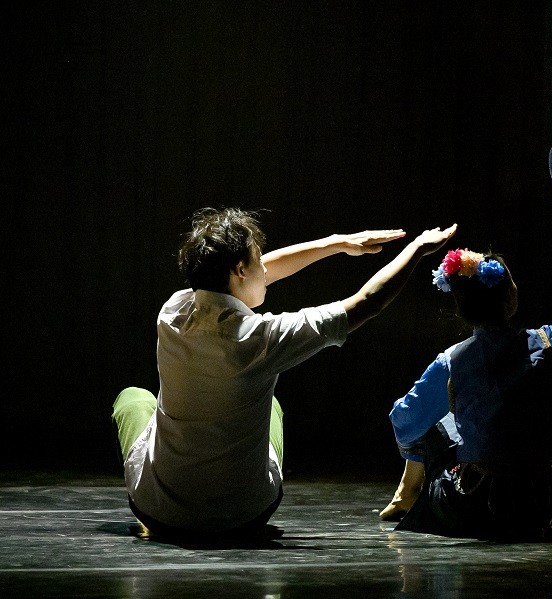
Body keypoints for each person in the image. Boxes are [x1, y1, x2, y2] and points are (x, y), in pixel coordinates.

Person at [112, 206, 456, 541]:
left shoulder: (172, 311)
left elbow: (260, 274)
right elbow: (368, 301)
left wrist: (337, 243)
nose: (266, 267)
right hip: (243, 516)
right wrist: (417, 249)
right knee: (272, 407)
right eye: (257, 259)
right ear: (240, 270)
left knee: (134, 398)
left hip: (158, 513)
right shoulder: (263, 338)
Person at [380, 203, 552, 542]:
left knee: (435, 420)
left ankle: (408, 490)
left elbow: (403, 421)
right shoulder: (548, 343)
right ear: (511, 298)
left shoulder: (452, 361)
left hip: (475, 505)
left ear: (461, 308)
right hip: (535, 505)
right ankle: (410, 489)